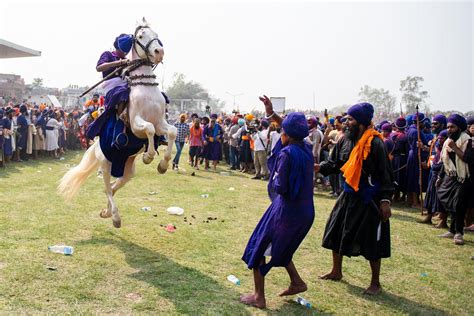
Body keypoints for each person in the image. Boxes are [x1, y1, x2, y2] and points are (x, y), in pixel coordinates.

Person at [240, 96, 314, 309]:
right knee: (280, 247)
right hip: (305, 211)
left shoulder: (287, 154)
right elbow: (291, 128)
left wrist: (276, 177)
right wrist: (271, 113)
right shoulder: (306, 149)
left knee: (259, 246)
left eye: (282, 131)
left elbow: (280, 186)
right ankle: (297, 282)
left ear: (287, 135)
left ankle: (258, 297)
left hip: (286, 210)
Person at [315, 102, 393, 295]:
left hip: (369, 199)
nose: (346, 122)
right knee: (335, 231)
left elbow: (385, 174)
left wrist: (385, 201)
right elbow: (336, 163)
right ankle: (336, 271)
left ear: (362, 121)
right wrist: (320, 167)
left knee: (371, 241)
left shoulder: (376, 143)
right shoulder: (345, 140)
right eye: (346, 118)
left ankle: (375, 283)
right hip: (348, 195)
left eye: (350, 119)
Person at [86, 33, 133, 139]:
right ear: (117, 47)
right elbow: (99, 68)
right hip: (112, 87)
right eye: (123, 51)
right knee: (122, 93)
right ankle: (122, 122)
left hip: (126, 83)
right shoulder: (108, 54)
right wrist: (118, 63)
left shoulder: (127, 60)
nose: (124, 53)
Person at [437, 114, 471, 245]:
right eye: (448, 127)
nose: (449, 129)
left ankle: (459, 232)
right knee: (448, 202)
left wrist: (455, 148)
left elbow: (468, 159)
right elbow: (445, 161)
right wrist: (440, 176)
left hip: (463, 178)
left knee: (458, 205)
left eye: (452, 127)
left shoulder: (468, 141)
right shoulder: (447, 141)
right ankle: (451, 230)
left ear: (459, 127)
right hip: (450, 176)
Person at [391, 117, 409, 202]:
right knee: (400, 177)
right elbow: (407, 150)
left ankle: (395, 195)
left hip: (392, 158)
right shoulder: (405, 137)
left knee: (394, 176)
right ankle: (398, 195)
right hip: (401, 159)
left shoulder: (391, 135)